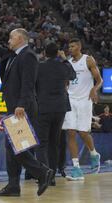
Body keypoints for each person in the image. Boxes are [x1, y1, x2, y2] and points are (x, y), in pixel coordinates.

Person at [0, 19, 53, 196]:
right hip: (14, 106)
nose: (8, 40)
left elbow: (29, 83)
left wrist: (21, 104)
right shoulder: (11, 55)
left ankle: (42, 172)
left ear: (21, 39)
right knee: (14, 147)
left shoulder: (28, 55)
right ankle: (14, 186)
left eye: (11, 37)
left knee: (14, 147)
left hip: (22, 107)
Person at [35, 42, 76, 186]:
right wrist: (64, 59)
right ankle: (52, 176)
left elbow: (34, 85)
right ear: (58, 53)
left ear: (45, 53)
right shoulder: (64, 66)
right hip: (60, 108)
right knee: (54, 143)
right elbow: (73, 75)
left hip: (44, 107)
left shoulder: (39, 66)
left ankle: (44, 176)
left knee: (42, 144)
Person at [62, 38, 103, 181]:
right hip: (71, 100)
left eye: (72, 46)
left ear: (79, 47)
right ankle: (76, 168)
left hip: (85, 100)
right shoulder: (67, 62)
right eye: (69, 46)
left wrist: (94, 90)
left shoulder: (88, 60)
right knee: (71, 132)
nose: (70, 48)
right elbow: (66, 82)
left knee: (83, 132)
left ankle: (93, 153)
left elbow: (99, 80)